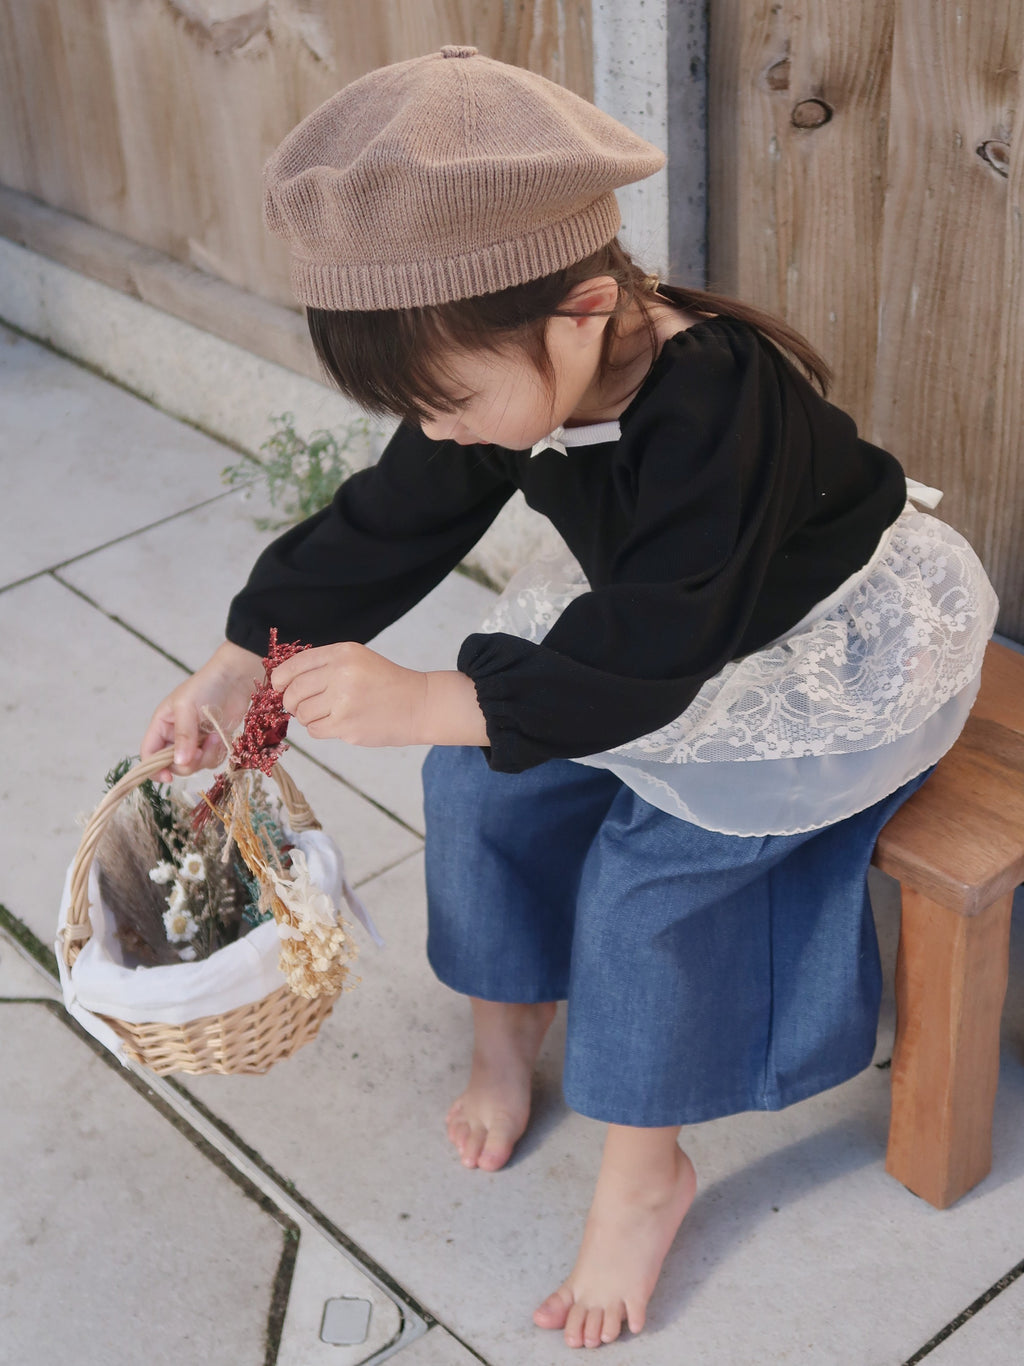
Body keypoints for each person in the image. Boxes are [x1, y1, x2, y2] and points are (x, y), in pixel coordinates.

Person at [141, 47, 997, 1349]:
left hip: (803, 643)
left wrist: (429, 695)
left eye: (449, 403)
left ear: (584, 311)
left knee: (651, 879)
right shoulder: (509, 363)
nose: (440, 431)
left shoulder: (719, 401)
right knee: (473, 783)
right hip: (649, 624)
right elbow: (392, 516)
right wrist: (238, 660)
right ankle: (509, 1021)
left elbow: (661, 649)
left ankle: (647, 1165)